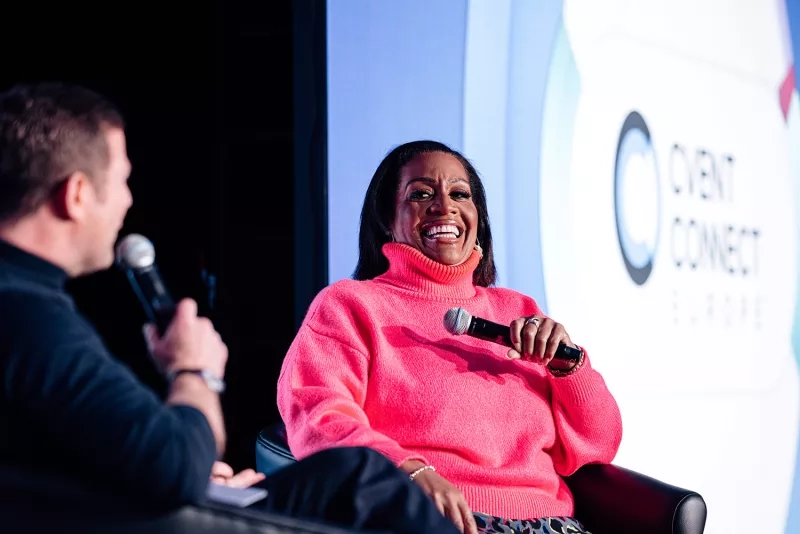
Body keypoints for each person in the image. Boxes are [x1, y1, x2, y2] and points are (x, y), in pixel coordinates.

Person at [0, 83, 459, 534]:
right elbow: (172, 461)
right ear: (77, 195)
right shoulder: (28, 316)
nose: (128, 200)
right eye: (121, 181)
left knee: (349, 479)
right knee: (367, 482)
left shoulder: (27, 300)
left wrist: (202, 478)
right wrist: (194, 372)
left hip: (115, 499)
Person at [278, 140, 624, 534]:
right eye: (421, 194)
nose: (444, 206)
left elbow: (599, 444)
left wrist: (569, 367)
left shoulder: (519, 309)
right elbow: (319, 414)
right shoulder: (350, 305)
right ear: (387, 219)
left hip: (552, 525)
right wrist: (407, 472)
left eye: (460, 194)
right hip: (433, 520)